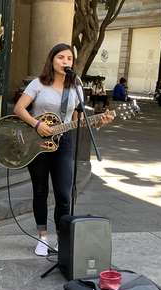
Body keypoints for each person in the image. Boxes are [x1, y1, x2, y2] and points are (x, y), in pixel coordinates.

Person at [13, 43, 113, 256]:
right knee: (40, 190)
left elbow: (76, 119)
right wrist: (37, 124)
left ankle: (61, 237)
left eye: (69, 58)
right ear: (52, 60)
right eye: (61, 57)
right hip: (36, 142)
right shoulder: (38, 84)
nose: (65, 61)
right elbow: (19, 108)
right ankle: (42, 237)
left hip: (64, 142)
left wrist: (98, 121)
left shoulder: (75, 85)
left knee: (64, 194)